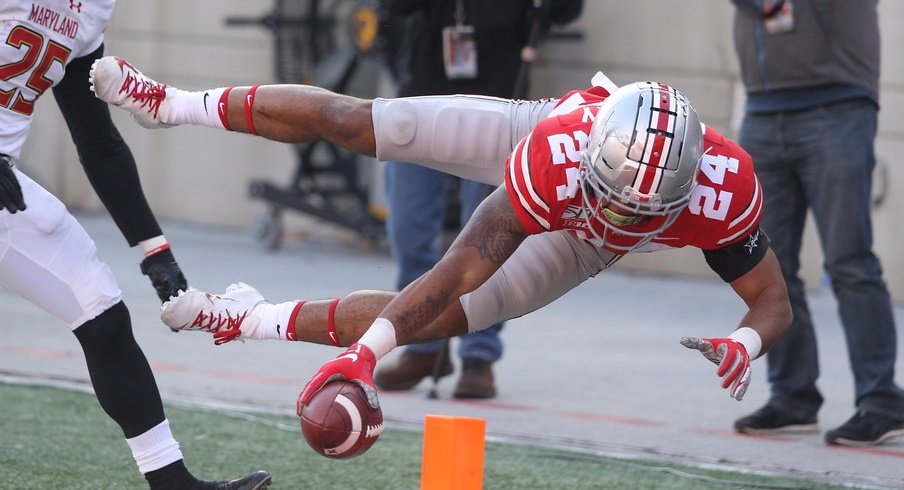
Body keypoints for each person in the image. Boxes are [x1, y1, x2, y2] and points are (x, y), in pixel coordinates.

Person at [90, 56, 793, 415]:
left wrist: (746, 339)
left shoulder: (722, 192)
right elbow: (458, 265)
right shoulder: (560, 153)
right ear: (594, 159)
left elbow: (773, 302)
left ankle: (244, 318)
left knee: (442, 322)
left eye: (644, 215)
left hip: (582, 250)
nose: (624, 218)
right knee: (362, 122)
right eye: (617, 202)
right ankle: (170, 103)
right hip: (534, 140)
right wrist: (366, 359)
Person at [0, 2, 270, 488]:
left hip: (5, 189)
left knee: (98, 308)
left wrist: (154, 248)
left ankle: (171, 483)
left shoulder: (88, 9)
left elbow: (97, 140)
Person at [373, 0, 581, 399]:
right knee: (408, 229)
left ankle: (478, 355)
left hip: (500, 108)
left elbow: (566, 10)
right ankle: (421, 341)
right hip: (422, 100)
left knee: (492, 240)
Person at [729, 0, 904, 447]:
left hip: (836, 105)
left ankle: (882, 401)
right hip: (763, 110)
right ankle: (793, 397)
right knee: (768, 266)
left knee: (849, 261)